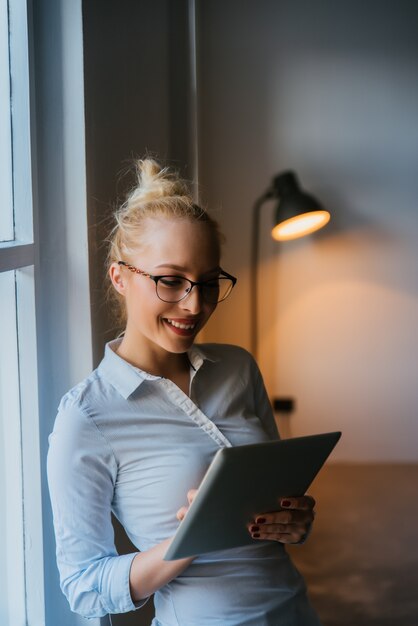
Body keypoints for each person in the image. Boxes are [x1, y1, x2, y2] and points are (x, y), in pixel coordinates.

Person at [47, 158, 321, 625]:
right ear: (121, 277)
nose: (195, 304)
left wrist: (293, 523)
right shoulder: (87, 415)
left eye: (210, 283)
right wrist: (187, 540)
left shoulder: (238, 367)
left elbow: (277, 514)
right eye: (170, 281)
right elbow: (84, 588)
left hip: (294, 612)